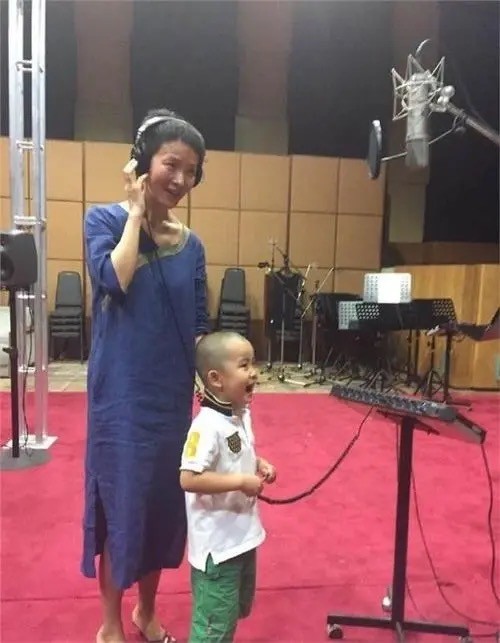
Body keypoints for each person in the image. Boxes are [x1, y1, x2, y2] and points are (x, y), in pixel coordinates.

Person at [82, 108, 209, 643]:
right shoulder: (103, 221)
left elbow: (199, 325)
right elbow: (114, 279)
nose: (180, 180)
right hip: (121, 395)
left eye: (191, 171)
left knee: (159, 506)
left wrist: (222, 387)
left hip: (170, 399)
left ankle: (146, 612)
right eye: (170, 164)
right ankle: (111, 623)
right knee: (121, 506)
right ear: (141, 163)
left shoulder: (193, 245)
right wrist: (136, 215)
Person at [180, 331, 277, 643]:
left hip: (242, 538)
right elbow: (189, 478)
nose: (254, 373)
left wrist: (258, 463)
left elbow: (236, 455)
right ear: (216, 379)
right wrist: (240, 482)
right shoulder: (206, 427)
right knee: (213, 628)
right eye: (244, 365)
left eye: (253, 363)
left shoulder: (239, 414)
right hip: (218, 549)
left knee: (234, 613)